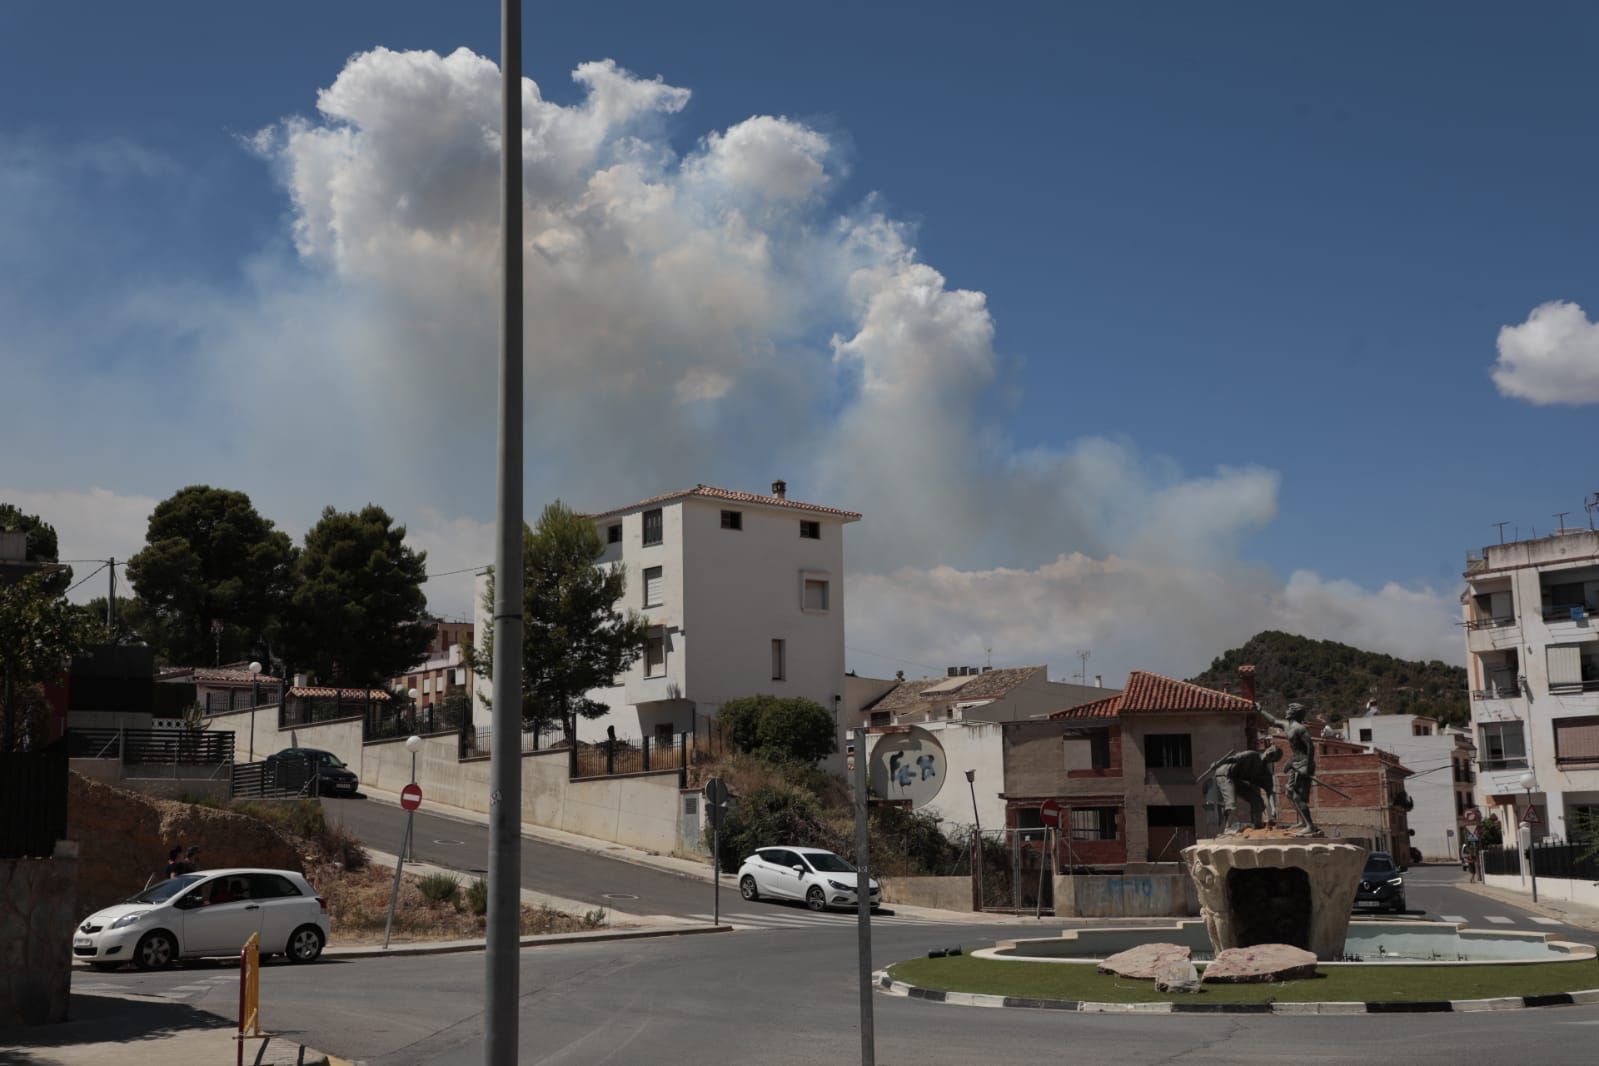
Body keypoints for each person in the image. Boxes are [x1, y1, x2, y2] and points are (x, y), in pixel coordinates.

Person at [1258, 702, 1320, 836]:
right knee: (1289, 792)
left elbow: (1311, 747)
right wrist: (1260, 710)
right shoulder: (1287, 725)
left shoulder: (1300, 729)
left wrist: (1307, 767)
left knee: (1297, 795)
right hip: (1295, 762)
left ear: (1295, 713)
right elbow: (1273, 721)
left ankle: (1310, 826)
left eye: (1290, 709)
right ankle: (1304, 822)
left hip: (1303, 763)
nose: (1287, 711)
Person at [1201, 746, 1284, 834]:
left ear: (1273, 760)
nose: (1269, 755)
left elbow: (1270, 791)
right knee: (1231, 802)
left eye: (1272, 755)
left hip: (1236, 779)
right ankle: (1228, 828)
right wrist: (1219, 763)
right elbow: (1234, 758)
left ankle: (1258, 826)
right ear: (1267, 750)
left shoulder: (1265, 774)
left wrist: (1273, 807)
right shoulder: (1251, 755)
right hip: (1225, 774)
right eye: (1270, 752)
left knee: (1257, 800)